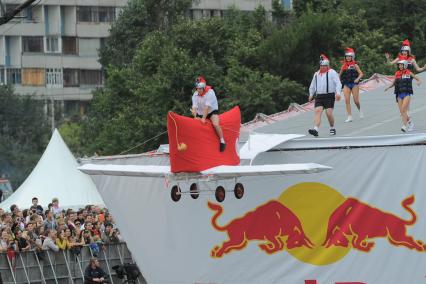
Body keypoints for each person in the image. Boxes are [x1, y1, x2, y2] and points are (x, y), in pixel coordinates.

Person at [308, 54, 342, 137]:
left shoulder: (332, 72)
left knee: (328, 113)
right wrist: (311, 94)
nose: (322, 67)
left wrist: (338, 93)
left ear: (327, 66)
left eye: (324, 66)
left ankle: (332, 127)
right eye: (321, 66)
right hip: (319, 96)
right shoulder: (316, 74)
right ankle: (315, 129)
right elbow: (312, 85)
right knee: (317, 111)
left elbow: (338, 83)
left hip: (329, 95)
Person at [384, 59, 421, 132]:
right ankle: (410, 123)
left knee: (404, 109)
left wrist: (419, 82)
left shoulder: (409, 72)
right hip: (399, 94)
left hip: (407, 93)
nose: (400, 66)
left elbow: (418, 79)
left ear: (405, 65)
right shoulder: (397, 73)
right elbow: (394, 83)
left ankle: (404, 126)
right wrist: (388, 87)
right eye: (399, 65)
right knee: (402, 112)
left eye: (401, 65)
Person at [191, 76, 226, 152]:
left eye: (200, 88)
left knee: (215, 124)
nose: (199, 90)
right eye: (197, 88)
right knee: (194, 122)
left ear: (204, 87)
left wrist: (203, 118)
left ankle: (222, 140)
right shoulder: (195, 95)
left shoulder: (210, 92)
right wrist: (195, 115)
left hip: (211, 112)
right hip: (200, 113)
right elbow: (194, 107)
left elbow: (207, 107)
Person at [339, 48, 364, 122]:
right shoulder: (343, 66)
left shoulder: (355, 65)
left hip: (354, 84)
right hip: (346, 84)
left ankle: (360, 109)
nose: (348, 58)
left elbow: (361, 74)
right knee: (347, 100)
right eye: (346, 56)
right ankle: (349, 116)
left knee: (356, 101)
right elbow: (339, 75)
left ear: (352, 57)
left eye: (349, 56)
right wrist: (338, 83)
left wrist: (357, 79)